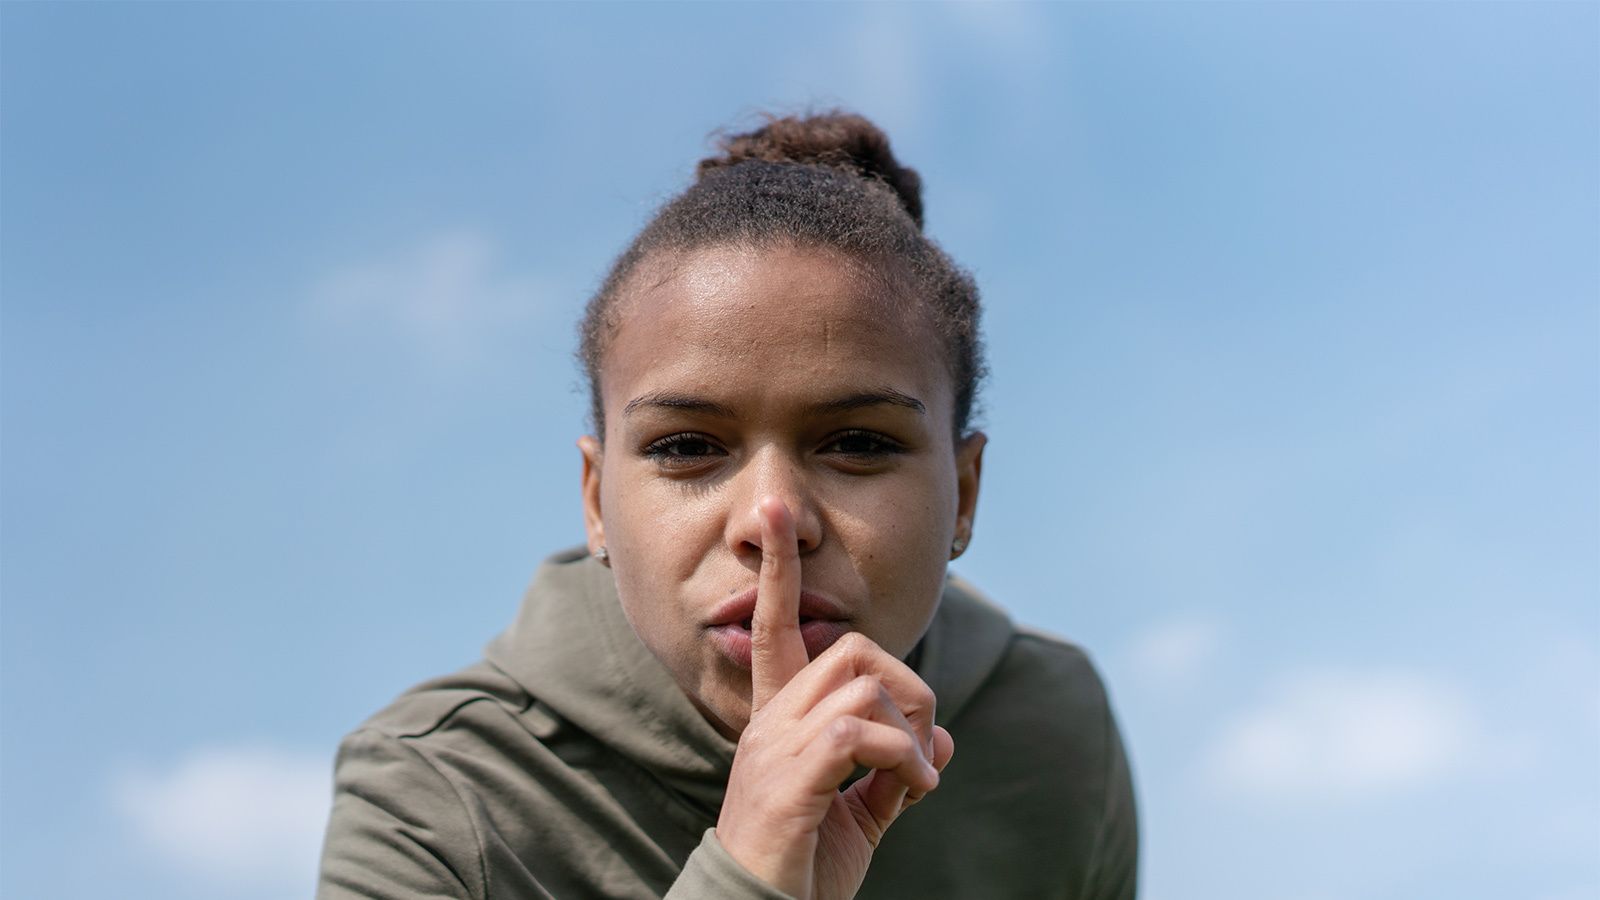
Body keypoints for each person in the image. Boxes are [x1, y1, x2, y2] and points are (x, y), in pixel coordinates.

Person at [316, 111, 1138, 899]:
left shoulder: (1052, 729)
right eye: (685, 448)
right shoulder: (431, 800)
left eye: (858, 443)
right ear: (597, 501)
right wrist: (748, 873)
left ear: (964, 494)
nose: (771, 519)